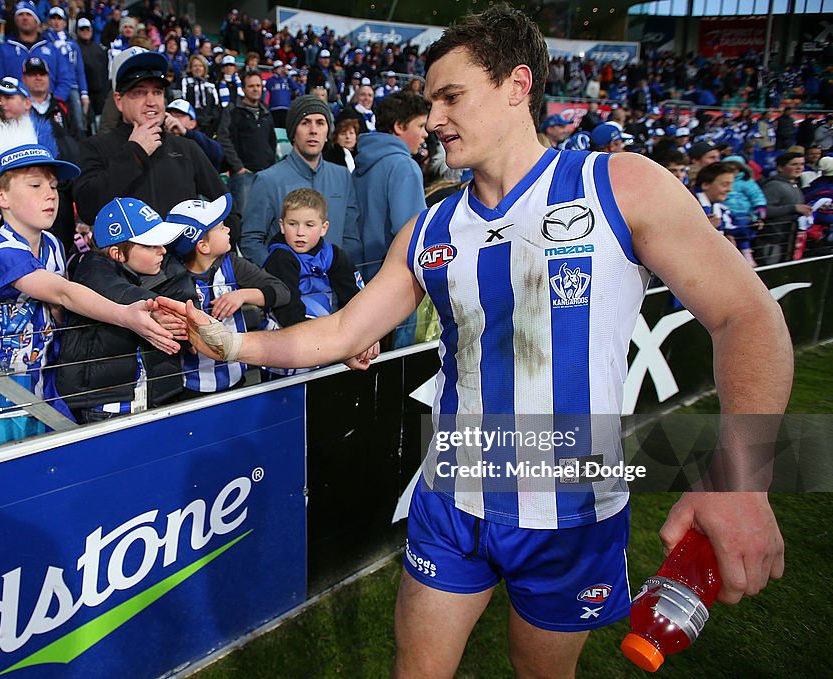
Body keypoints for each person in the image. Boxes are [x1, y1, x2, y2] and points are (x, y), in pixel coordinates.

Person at [159, 6, 789, 678]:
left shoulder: (619, 184)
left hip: (570, 509)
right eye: (431, 102)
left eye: (451, 96)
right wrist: (228, 343)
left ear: (518, 85)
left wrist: (742, 478)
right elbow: (344, 331)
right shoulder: (431, 226)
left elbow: (747, 317)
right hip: (452, 499)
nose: (433, 118)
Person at [0, 118, 181, 452]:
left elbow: (59, 309)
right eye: (35, 186)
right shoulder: (3, 252)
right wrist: (124, 314)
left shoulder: (50, 244)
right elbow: (64, 293)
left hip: (38, 382)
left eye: (53, 186)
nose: (50, 195)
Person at [73, 47, 238, 238]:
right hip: (122, 265)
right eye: (140, 92)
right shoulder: (95, 147)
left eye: (157, 92)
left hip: (183, 264)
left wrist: (209, 255)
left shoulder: (186, 148)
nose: (151, 101)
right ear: (119, 101)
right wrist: (134, 152)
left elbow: (227, 206)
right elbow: (88, 209)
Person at [57, 197, 190, 422]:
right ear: (117, 254)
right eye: (151, 245)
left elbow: (184, 305)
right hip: (106, 403)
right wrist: (157, 308)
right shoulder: (91, 268)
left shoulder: (166, 268)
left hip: (156, 397)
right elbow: (112, 288)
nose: (163, 251)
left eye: (162, 242)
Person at [170, 194, 288, 395]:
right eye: (221, 227)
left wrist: (242, 295)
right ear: (202, 246)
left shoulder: (232, 264)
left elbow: (282, 292)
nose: (228, 229)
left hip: (237, 377)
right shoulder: (172, 277)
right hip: (191, 386)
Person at [240, 95, 362, 266]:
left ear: (327, 132)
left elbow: (351, 237)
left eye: (320, 123)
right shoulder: (267, 180)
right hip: (287, 288)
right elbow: (250, 240)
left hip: (334, 287)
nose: (313, 130)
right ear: (293, 132)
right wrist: (277, 273)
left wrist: (345, 276)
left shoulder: (343, 176)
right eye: (305, 123)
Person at [260, 188, 370, 378]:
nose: (300, 233)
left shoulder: (333, 254)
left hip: (325, 350)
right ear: (282, 226)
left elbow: (356, 297)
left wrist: (366, 336)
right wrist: (329, 344)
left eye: (309, 225)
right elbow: (289, 312)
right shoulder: (279, 259)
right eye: (292, 224)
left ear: (324, 227)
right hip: (285, 355)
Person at [353, 92, 428, 282]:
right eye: (420, 126)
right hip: (394, 283)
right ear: (399, 126)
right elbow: (413, 237)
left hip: (360, 278)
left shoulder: (361, 163)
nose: (425, 134)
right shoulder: (404, 166)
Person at [217, 70, 277, 214]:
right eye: (251, 86)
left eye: (258, 85)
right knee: (243, 218)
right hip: (244, 175)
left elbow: (272, 141)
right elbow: (224, 139)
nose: (256, 89)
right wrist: (238, 167)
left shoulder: (266, 113)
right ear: (243, 89)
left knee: (266, 216)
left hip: (266, 175)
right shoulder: (232, 111)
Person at [760, 151, 811, 266]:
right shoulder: (774, 185)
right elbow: (764, 211)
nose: (799, 168)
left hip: (789, 240)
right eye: (794, 164)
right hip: (773, 241)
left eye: (802, 164)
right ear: (780, 168)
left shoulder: (794, 185)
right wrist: (793, 208)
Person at [43, 6, 88, 130]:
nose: (56, 22)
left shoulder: (72, 44)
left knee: (79, 123)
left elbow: (80, 70)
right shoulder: (44, 42)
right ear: (49, 21)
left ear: (64, 22)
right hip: (52, 88)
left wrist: (84, 93)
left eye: (60, 19)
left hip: (73, 87)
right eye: (53, 18)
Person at [163, 98, 223, 170]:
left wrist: (185, 132)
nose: (172, 119)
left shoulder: (199, 141)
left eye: (178, 116)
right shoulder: (159, 139)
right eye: (170, 116)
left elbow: (217, 153)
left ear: (192, 123)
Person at [265, 59, 293, 128]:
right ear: (274, 70)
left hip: (286, 108)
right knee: (276, 128)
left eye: (281, 67)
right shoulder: (271, 79)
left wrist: (288, 76)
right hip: (274, 108)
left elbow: (295, 87)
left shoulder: (287, 79)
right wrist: (277, 77)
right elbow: (268, 86)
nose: (280, 69)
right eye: (278, 68)